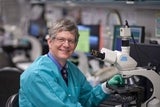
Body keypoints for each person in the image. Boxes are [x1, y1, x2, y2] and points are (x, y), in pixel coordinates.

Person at [19, 18, 124, 107]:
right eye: (61, 39)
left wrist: (106, 87)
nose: (66, 45)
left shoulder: (71, 70)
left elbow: (87, 99)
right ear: (50, 42)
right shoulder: (37, 74)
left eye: (71, 41)